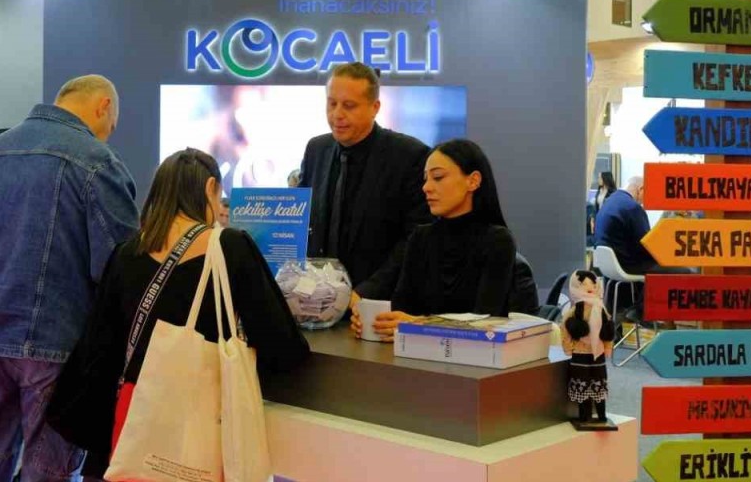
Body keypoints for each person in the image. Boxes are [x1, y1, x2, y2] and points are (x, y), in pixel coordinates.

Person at [49, 148, 309, 479]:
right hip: (198, 421)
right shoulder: (230, 248)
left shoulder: (127, 254)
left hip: (133, 420)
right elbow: (283, 347)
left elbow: (99, 349)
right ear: (211, 187)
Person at [0, 75, 139, 482]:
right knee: (47, 471)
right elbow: (119, 264)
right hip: (55, 340)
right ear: (103, 106)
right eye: (112, 123)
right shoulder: (96, 160)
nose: (109, 132)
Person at [351, 140, 526, 341]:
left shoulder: (498, 240)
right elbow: (403, 309)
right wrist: (379, 322)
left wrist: (419, 325)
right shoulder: (420, 237)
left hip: (475, 355)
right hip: (414, 354)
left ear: (473, 181)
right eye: (425, 179)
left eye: (438, 177)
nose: (426, 187)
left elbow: (484, 321)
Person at [297, 62, 431, 299]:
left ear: (374, 107)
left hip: (380, 302)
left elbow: (415, 239)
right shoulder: (316, 149)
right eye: (332, 103)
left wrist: (366, 292)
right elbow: (302, 223)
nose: (337, 114)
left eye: (349, 105)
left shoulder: (409, 156)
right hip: (316, 300)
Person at [594, 176, 690, 276]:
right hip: (629, 264)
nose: (644, 201)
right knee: (685, 271)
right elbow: (646, 245)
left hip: (611, 265)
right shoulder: (632, 207)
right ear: (641, 189)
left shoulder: (610, 201)